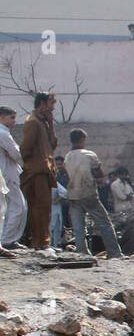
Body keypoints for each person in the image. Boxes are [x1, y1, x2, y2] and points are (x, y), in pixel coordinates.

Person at [64, 129, 123, 258]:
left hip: (73, 194)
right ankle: (114, 253)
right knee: (104, 223)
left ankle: (82, 253)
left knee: (78, 227)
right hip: (88, 193)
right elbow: (98, 173)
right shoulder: (89, 154)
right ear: (82, 139)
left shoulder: (67, 156)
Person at [19, 91, 58, 250]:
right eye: (52, 102)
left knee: (44, 207)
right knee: (40, 207)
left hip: (45, 170)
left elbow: (52, 145)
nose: (53, 106)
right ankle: (39, 242)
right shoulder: (33, 122)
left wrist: (51, 125)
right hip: (37, 171)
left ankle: (42, 242)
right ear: (42, 103)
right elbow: (25, 149)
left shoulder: (43, 122)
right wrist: (31, 165)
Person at [0, 105, 26, 249]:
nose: (14, 121)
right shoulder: (3, 133)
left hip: (5, 174)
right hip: (7, 174)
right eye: (12, 118)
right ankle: (7, 240)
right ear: (2, 117)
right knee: (19, 207)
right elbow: (17, 154)